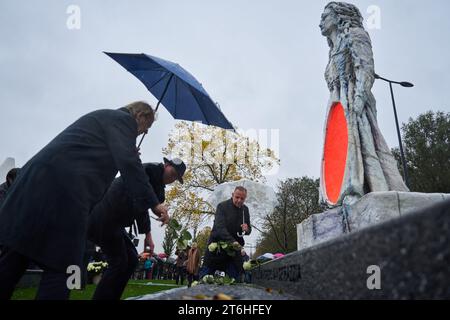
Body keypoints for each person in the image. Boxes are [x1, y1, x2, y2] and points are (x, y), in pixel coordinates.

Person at [0, 101, 156, 300]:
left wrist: (124, 152)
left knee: (14, 258)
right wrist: (154, 203)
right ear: (140, 116)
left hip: (34, 191)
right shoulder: (123, 120)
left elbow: (101, 160)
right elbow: (129, 164)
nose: (144, 132)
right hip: (65, 197)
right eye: (147, 126)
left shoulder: (104, 120)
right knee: (66, 268)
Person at [87, 158, 186, 300]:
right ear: (166, 165)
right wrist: (155, 205)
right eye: (173, 172)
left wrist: (148, 235)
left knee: (132, 259)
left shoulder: (158, 190)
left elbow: (142, 208)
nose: (173, 177)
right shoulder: (148, 170)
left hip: (117, 222)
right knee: (119, 261)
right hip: (105, 214)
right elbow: (141, 191)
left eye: (177, 177)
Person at [200, 186, 251, 280]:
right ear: (232, 195)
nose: (239, 200)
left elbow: (248, 231)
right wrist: (232, 241)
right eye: (237, 197)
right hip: (216, 248)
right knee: (206, 278)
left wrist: (247, 229)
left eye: (242, 198)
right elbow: (219, 228)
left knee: (235, 279)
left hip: (233, 252)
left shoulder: (245, 210)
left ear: (245, 198)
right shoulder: (222, 206)